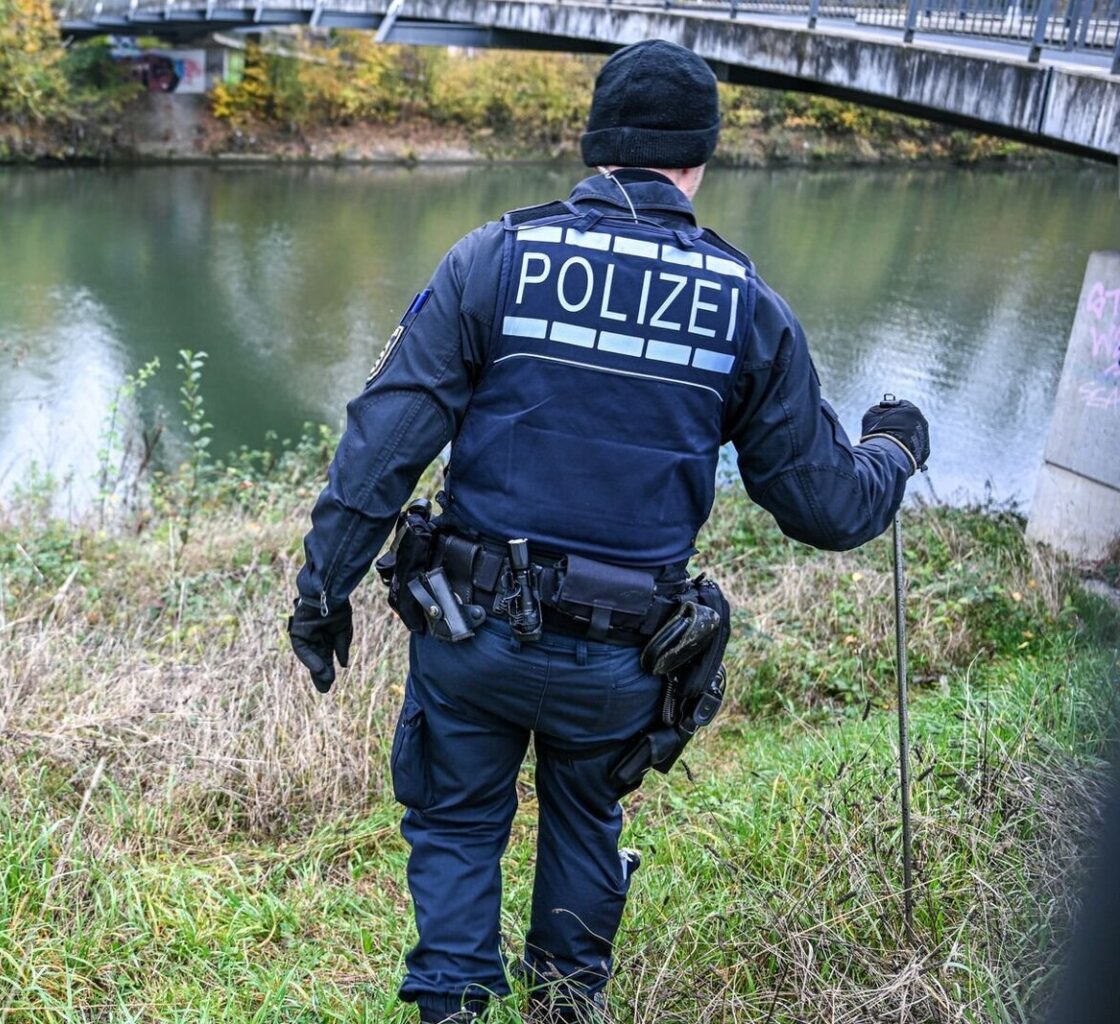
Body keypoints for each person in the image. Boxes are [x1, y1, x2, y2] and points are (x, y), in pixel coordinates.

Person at [285, 40, 931, 1024]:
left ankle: (452, 1009)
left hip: (468, 628)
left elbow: (379, 448)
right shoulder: (742, 305)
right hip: (624, 654)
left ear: (596, 145)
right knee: (586, 820)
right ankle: (561, 1007)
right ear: (700, 157)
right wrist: (892, 450)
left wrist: (321, 594)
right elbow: (825, 504)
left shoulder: (495, 259)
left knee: (458, 826)